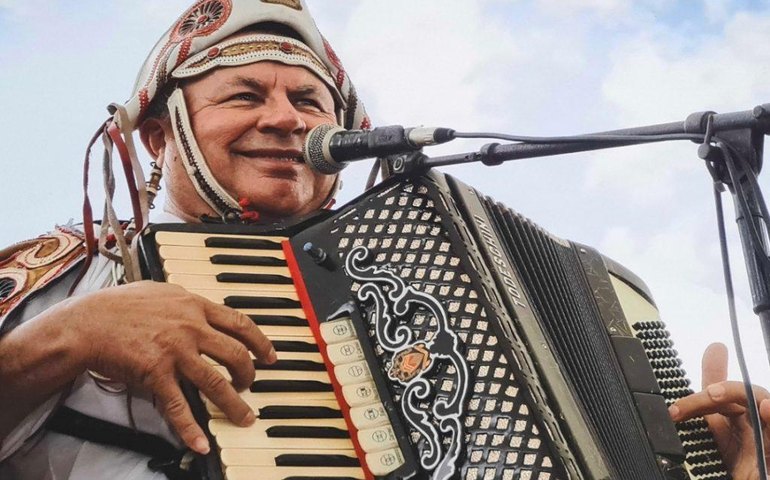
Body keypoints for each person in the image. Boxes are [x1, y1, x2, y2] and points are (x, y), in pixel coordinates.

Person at [0, 1, 767, 479]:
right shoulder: (78, 277)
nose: (287, 118)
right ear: (161, 135)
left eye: (308, 99)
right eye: (245, 95)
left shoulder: (413, 287)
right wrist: (67, 337)